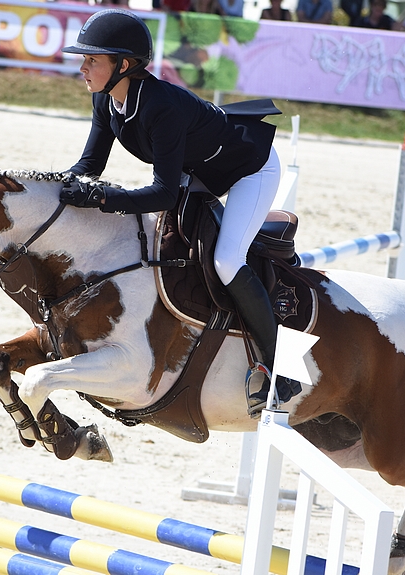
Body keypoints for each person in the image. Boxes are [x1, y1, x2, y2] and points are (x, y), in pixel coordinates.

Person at [60, 9, 301, 415]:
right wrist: (60, 187)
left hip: (249, 168)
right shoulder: (107, 100)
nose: (82, 68)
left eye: (91, 60)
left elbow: (163, 194)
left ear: (124, 65)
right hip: (199, 168)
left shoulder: (160, 106)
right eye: (84, 60)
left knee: (226, 259)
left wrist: (102, 200)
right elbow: (89, 166)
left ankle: (280, 369)